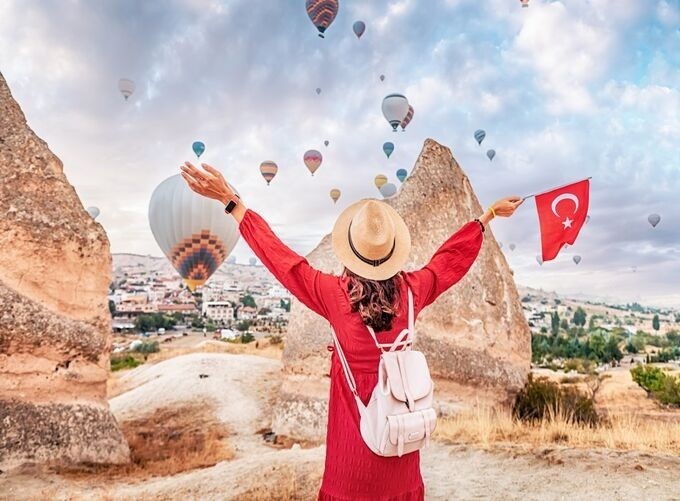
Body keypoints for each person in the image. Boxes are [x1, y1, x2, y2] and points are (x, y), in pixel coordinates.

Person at [180, 161, 522, 500]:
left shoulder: (333, 295)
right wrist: (487, 216)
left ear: (351, 252)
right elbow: (448, 260)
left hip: (352, 462)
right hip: (400, 449)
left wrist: (231, 202)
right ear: (392, 254)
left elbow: (282, 260)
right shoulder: (413, 292)